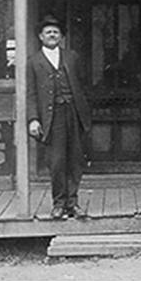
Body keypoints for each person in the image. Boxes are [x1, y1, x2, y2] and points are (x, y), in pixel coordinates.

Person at [26, 15, 92, 219]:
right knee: (56, 161)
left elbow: (83, 85)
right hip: (51, 117)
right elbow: (30, 93)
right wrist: (33, 119)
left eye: (56, 32)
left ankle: (73, 203)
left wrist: (83, 111)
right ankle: (59, 203)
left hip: (73, 113)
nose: (52, 35)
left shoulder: (72, 57)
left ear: (61, 37)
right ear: (40, 36)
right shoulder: (33, 62)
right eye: (48, 32)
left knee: (75, 160)